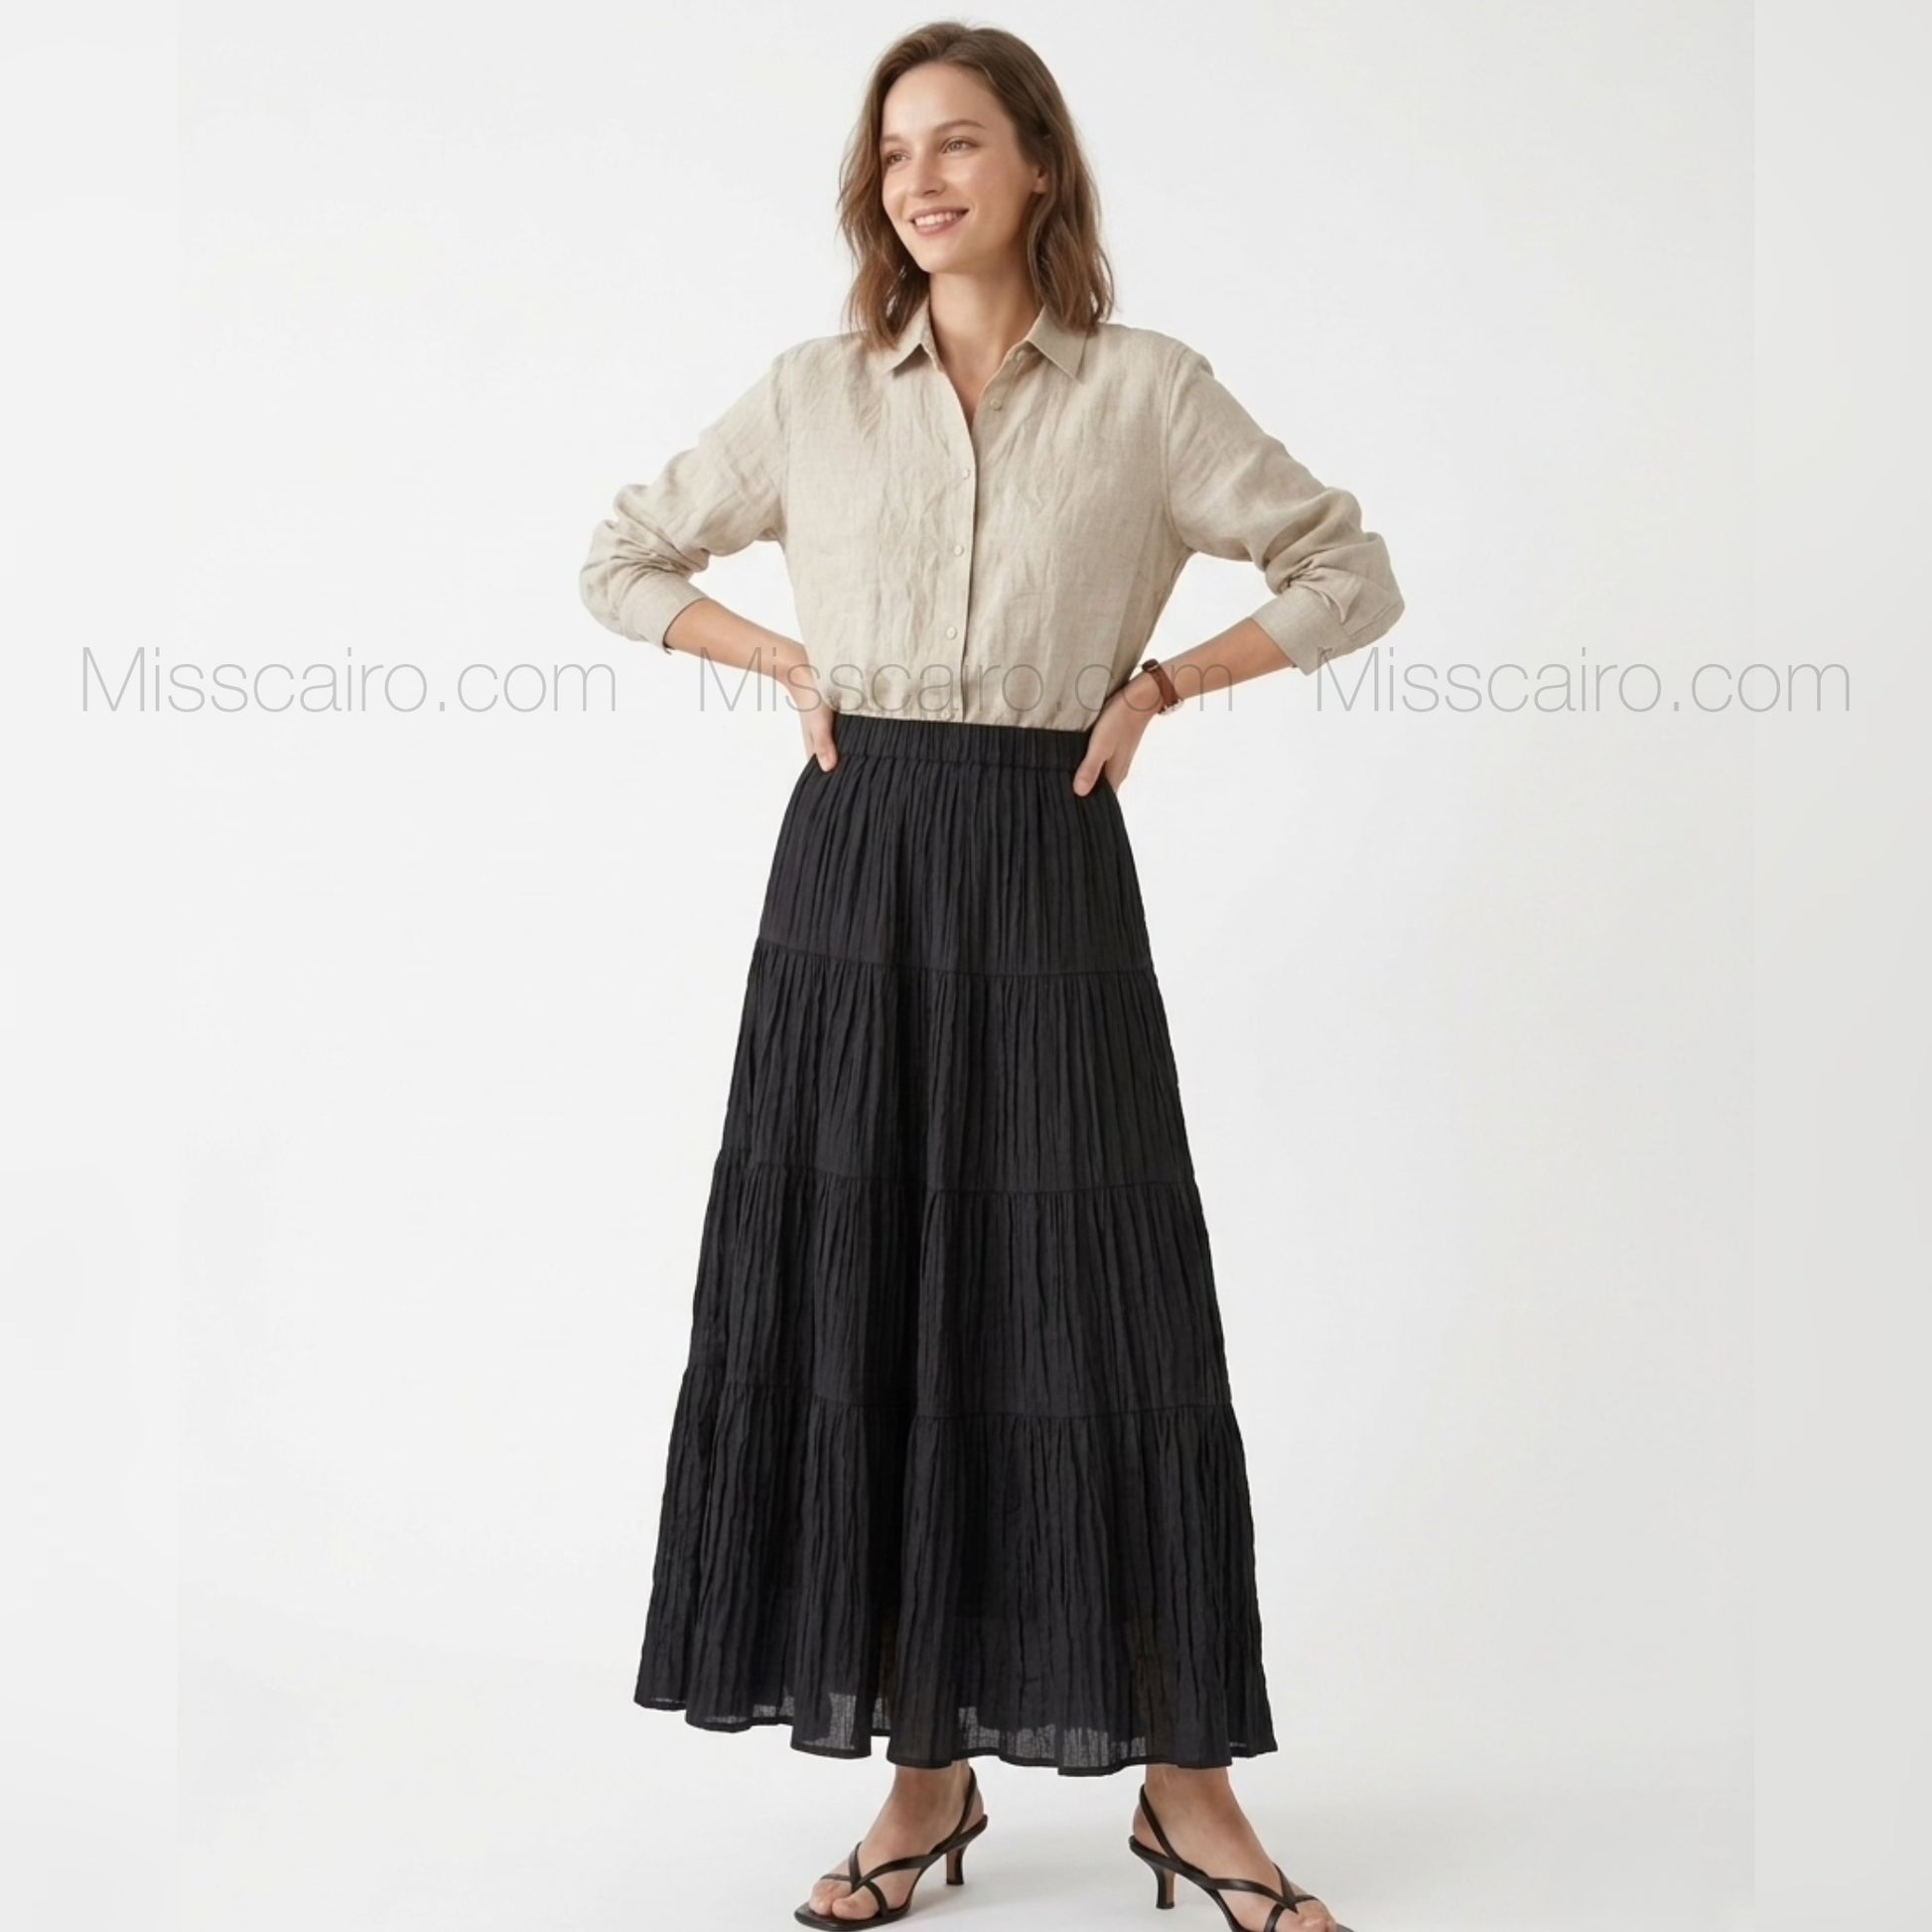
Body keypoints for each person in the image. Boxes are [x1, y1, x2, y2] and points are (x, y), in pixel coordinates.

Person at [578, 23, 1403, 1931]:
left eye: (957, 143)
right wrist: (776, 657)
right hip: (853, 868)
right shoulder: (811, 393)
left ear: (1037, 162)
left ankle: (1186, 1788)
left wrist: (1168, 681)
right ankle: (921, 1775)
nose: (921, 180)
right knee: (872, 1296)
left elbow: (1347, 571)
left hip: (1045, 859)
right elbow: (618, 557)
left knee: (1095, 1309)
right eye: (893, 155)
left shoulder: (1146, 391)